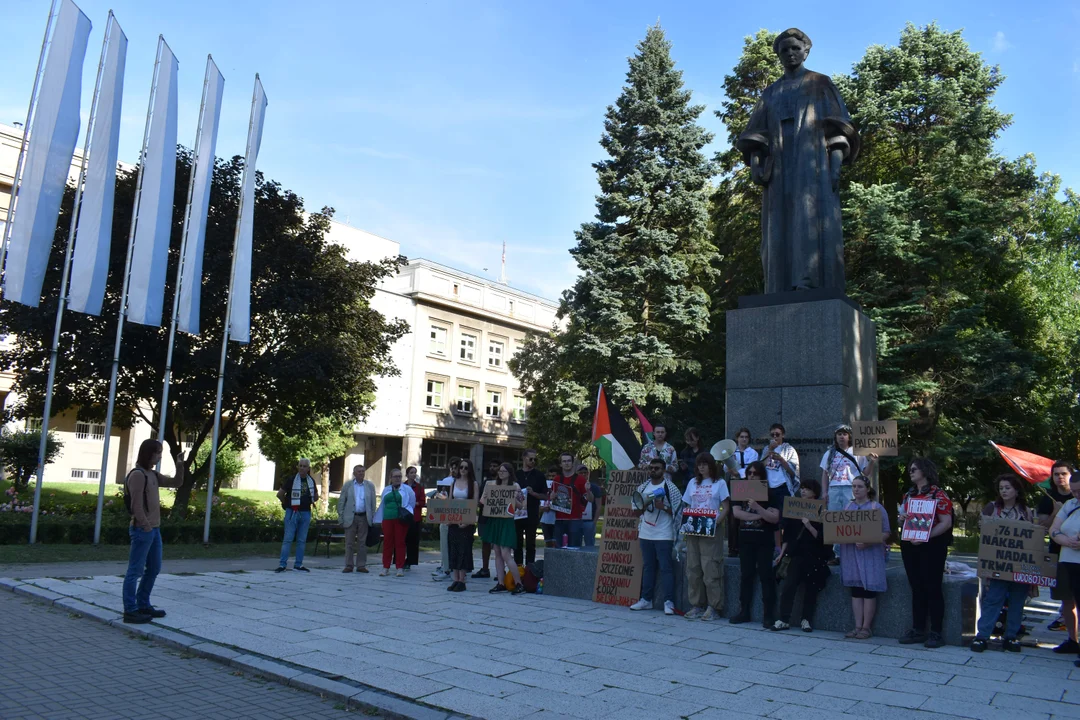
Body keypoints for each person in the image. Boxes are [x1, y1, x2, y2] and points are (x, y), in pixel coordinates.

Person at [736, 27, 859, 294]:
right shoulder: (770, 93)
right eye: (784, 50)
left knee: (809, 218)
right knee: (778, 223)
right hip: (779, 166)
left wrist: (835, 165)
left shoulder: (820, 83)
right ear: (778, 56)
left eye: (795, 48)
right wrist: (757, 163)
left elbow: (839, 128)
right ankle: (777, 287)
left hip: (813, 164)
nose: (790, 53)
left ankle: (808, 282)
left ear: (806, 51)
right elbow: (755, 134)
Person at [121, 439, 183, 624]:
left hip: (154, 530)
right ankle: (130, 610)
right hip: (143, 529)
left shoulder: (153, 475)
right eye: (157, 453)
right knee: (135, 570)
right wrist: (146, 526)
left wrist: (180, 464)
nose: (159, 456)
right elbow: (136, 506)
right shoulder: (138, 475)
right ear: (148, 453)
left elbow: (177, 483)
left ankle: (143, 604)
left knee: (154, 568)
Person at [971, 474, 1033, 653]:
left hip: (1019, 564)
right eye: (1001, 488)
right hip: (998, 563)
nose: (1004, 491)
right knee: (993, 599)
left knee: (1017, 600)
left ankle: (1011, 636)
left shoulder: (1025, 511)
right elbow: (981, 529)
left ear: (1016, 490)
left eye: (1007, 488)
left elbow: (1032, 536)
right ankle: (982, 636)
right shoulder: (992, 508)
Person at [898, 457, 953, 648]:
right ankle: (918, 629)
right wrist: (901, 518)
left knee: (933, 587)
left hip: (932, 547)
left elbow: (946, 522)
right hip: (909, 544)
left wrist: (926, 537)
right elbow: (901, 520)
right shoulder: (908, 494)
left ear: (925, 471)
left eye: (914, 469)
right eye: (909, 469)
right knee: (916, 587)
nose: (910, 472)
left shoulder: (939, 495)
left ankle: (936, 632)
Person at [730, 461, 781, 627]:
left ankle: (768, 615)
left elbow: (774, 518)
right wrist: (761, 516)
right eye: (749, 473)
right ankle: (744, 611)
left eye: (755, 473)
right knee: (746, 576)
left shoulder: (771, 493)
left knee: (766, 576)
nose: (751, 475)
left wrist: (758, 508)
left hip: (764, 541)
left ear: (761, 475)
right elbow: (737, 514)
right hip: (745, 540)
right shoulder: (740, 490)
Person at [838, 474, 890, 639]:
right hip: (852, 555)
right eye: (854, 486)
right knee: (856, 591)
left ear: (867, 489)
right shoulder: (847, 508)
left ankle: (866, 627)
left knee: (869, 590)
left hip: (870, 554)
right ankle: (857, 626)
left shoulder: (876, 507)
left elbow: (886, 532)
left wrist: (869, 542)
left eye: (859, 486)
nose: (856, 489)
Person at [774, 477, 829, 632]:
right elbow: (789, 536)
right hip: (797, 553)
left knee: (811, 589)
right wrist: (782, 553)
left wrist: (809, 525)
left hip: (814, 554)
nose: (803, 491)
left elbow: (823, 537)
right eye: (802, 488)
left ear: (814, 492)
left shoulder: (822, 510)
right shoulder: (795, 508)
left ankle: (806, 620)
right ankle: (784, 619)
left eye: (806, 488)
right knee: (789, 586)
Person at [630, 458, 683, 614]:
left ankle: (669, 602)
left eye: (657, 468)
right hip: (646, 533)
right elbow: (635, 512)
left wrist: (664, 507)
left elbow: (679, 513)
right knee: (648, 567)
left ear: (664, 470)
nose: (653, 470)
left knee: (666, 568)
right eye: (651, 468)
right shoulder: (642, 487)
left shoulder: (670, 488)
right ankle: (646, 600)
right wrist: (643, 505)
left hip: (664, 534)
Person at [682, 452, 730, 621]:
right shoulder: (692, 482)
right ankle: (697, 605)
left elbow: (726, 506)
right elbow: (688, 504)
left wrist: (718, 522)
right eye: (699, 464)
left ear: (711, 465)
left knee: (710, 567)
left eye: (705, 464)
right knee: (693, 568)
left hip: (711, 528)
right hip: (694, 527)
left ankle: (714, 606)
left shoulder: (720, 483)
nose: (701, 467)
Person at [822, 423, 877, 564]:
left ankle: (854, 551)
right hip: (834, 488)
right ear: (835, 436)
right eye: (839, 434)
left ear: (849, 436)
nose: (842, 436)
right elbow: (824, 473)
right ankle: (838, 555)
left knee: (852, 520)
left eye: (844, 434)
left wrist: (872, 462)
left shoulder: (858, 451)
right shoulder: (830, 452)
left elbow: (865, 473)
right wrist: (824, 492)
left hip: (851, 488)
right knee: (835, 522)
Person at [1039, 460, 1077, 651]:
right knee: (1066, 597)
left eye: (1064, 473)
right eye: (1056, 474)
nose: (1060, 477)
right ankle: (1072, 638)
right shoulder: (1051, 498)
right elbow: (1046, 527)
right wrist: (1056, 512)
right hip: (1060, 554)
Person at [1048, 470, 1080, 667]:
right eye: (1074, 491)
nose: (1077, 495)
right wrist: (1063, 540)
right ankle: (1072, 640)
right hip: (1067, 560)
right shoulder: (1070, 505)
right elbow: (1053, 528)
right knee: (1068, 602)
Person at [481, 462, 528, 595]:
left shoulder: (515, 486)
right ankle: (500, 583)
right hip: (494, 520)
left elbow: (522, 506)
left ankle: (519, 583)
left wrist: (513, 499)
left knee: (506, 553)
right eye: (500, 471)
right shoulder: (492, 485)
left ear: (509, 473)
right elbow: (483, 502)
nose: (501, 473)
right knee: (497, 552)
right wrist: (486, 496)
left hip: (507, 521)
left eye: (504, 471)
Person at [276, 458, 319, 573]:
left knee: (302, 540)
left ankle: (298, 564)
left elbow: (315, 496)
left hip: (305, 512)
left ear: (309, 468)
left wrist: (313, 497)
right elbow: (280, 494)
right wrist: (286, 503)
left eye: (305, 466)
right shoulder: (291, 480)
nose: (302, 468)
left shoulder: (311, 481)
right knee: (288, 539)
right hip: (292, 512)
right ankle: (282, 564)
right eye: (300, 465)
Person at [374, 468, 415, 577]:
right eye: (395, 476)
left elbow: (412, 503)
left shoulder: (407, 489)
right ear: (391, 478)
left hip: (400, 520)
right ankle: (385, 567)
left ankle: (400, 567)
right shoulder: (386, 490)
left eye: (399, 476)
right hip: (387, 519)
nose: (397, 479)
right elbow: (383, 504)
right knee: (387, 543)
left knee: (400, 542)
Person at [446, 459, 479, 591]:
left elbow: (475, 503)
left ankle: (462, 580)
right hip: (454, 518)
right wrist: (448, 518)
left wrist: (468, 520)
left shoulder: (473, 484)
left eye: (466, 468)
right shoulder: (454, 483)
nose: (463, 470)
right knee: (453, 547)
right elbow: (450, 501)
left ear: (469, 469)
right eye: (461, 468)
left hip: (466, 519)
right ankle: (455, 578)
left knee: (464, 549)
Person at [338, 464, 376, 574]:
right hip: (351, 517)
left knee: (362, 543)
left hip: (364, 517)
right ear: (354, 473)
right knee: (349, 543)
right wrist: (341, 517)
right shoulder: (348, 485)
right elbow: (341, 502)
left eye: (363, 471)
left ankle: (361, 565)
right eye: (359, 471)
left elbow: (373, 503)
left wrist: (372, 517)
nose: (361, 473)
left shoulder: (369, 486)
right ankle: (349, 565)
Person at [549, 452, 593, 547]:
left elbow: (591, 499)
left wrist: (588, 491)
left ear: (573, 463)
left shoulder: (581, 480)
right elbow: (551, 501)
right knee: (559, 550)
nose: (566, 463)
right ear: (561, 464)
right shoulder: (556, 479)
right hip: (559, 519)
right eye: (564, 461)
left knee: (574, 549)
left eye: (569, 461)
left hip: (575, 520)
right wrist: (551, 498)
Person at [728, 428, 759, 560]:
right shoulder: (731, 452)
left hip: (747, 483)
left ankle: (745, 545)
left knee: (747, 513)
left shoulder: (753, 453)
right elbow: (726, 467)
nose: (744, 439)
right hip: (734, 482)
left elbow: (752, 468)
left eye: (746, 437)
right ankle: (733, 547)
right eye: (741, 437)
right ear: (737, 438)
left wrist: (738, 473)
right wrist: (732, 470)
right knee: (733, 516)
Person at [515, 449, 547, 565]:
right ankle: (518, 569)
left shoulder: (539, 475)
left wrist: (534, 493)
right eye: (531, 459)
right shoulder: (516, 474)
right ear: (524, 458)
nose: (533, 461)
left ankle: (529, 569)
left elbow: (545, 496)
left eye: (535, 459)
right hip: (517, 514)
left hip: (532, 513)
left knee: (530, 544)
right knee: (517, 543)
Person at [432, 457, 460, 582]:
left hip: (458, 516)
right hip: (446, 515)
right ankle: (445, 567)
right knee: (444, 542)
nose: (454, 471)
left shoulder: (465, 482)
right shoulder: (446, 481)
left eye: (457, 468)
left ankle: (457, 569)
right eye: (452, 468)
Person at [473, 460, 500, 580]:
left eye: (495, 466)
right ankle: (485, 569)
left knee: (499, 545)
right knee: (485, 542)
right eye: (491, 465)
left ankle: (500, 570)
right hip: (485, 516)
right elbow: (480, 499)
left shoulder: (504, 483)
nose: (492, 468)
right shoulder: (485, 482)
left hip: (498, 517)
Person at [762, 424, 799, 498]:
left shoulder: (789, 449)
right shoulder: (766, 449)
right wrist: (770, 449)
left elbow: (793, 472)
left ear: (783, 435)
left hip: (783, 486)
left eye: (777, 434)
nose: (775, 437)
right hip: (768, 487)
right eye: (772, 435)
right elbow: (761, 467)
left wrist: (781, 459)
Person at [404, 466, 425, 570]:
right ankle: (400, 560)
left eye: (415, 473)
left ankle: (410, 561)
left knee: (413, 541)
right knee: (402, 540)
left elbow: (422, 501)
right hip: (403, 516)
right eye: (411, 472)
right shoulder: (402, 485)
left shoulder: (419, 487)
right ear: (407, 474)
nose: (413, 474)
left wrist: (414, 503)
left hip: (415, 516)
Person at [580, 470, 606, 548]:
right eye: (581, 472)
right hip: (576, 520)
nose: (583, 474)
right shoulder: (574, 485)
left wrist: (594, 522)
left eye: (585, 472)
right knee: (575, 545)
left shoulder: (595, 488)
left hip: (589, 521)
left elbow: (599, 506)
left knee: (589, 545)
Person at [540, 465, 558, 546]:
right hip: (545, 520)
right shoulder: (544, 487)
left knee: (556, 543)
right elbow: (539, 504)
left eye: (553, 476)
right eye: (550, 476)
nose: (551, 478)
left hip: (556, 520)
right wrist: (542, 508)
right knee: (548, 543)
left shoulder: (561, 488)